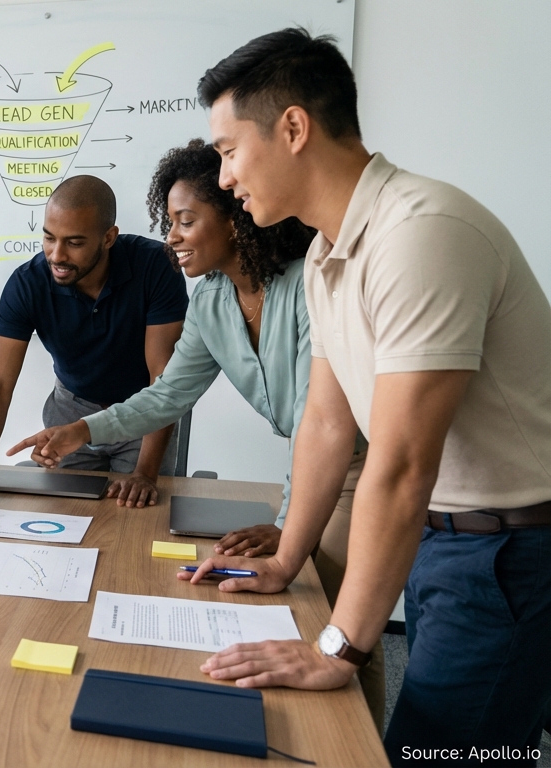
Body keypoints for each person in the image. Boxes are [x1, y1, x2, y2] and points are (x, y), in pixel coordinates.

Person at [181, 29, 551, 762]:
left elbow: (403, 461)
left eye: (228, 150)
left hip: (513, 552)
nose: (223, 178)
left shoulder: (422, 233)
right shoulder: (326, 253)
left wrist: (337, 649)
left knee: (437, 750)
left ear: (293, 128)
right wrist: (289, 559)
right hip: (453, 543)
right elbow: (326, 420)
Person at [9, 139, 384, 727]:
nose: (172, 239)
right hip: (317, 466)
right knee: (312, 614)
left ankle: (364, 750)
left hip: (362, 469)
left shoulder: (308, 281)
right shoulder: (211, 298)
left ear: (236, 217)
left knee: (340, 623)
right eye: (169, 222)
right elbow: (167, 395)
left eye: (186, 221)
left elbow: (327, 422)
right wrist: (82, 428)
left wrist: (289, 526)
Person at [0, 175, 189, 510]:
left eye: (74, 243)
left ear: (108, 238)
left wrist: (146, 474)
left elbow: (162, 379)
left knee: (137, 519)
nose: (57, 255)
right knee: (66, 519)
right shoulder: (27, 284)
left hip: (144, 415)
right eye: (49, 238)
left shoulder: (156, 267)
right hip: (70, 411)